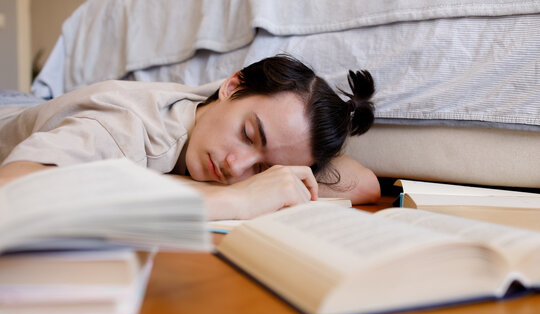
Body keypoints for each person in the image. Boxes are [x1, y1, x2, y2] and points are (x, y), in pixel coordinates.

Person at [0, 55, 380, 220]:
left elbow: (364, 185)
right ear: (232, 85)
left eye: (262, 168)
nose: (236, 166)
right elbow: (12, 190)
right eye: (248, 135)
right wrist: (228, 198)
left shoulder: (217, 109)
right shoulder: (127, 133)